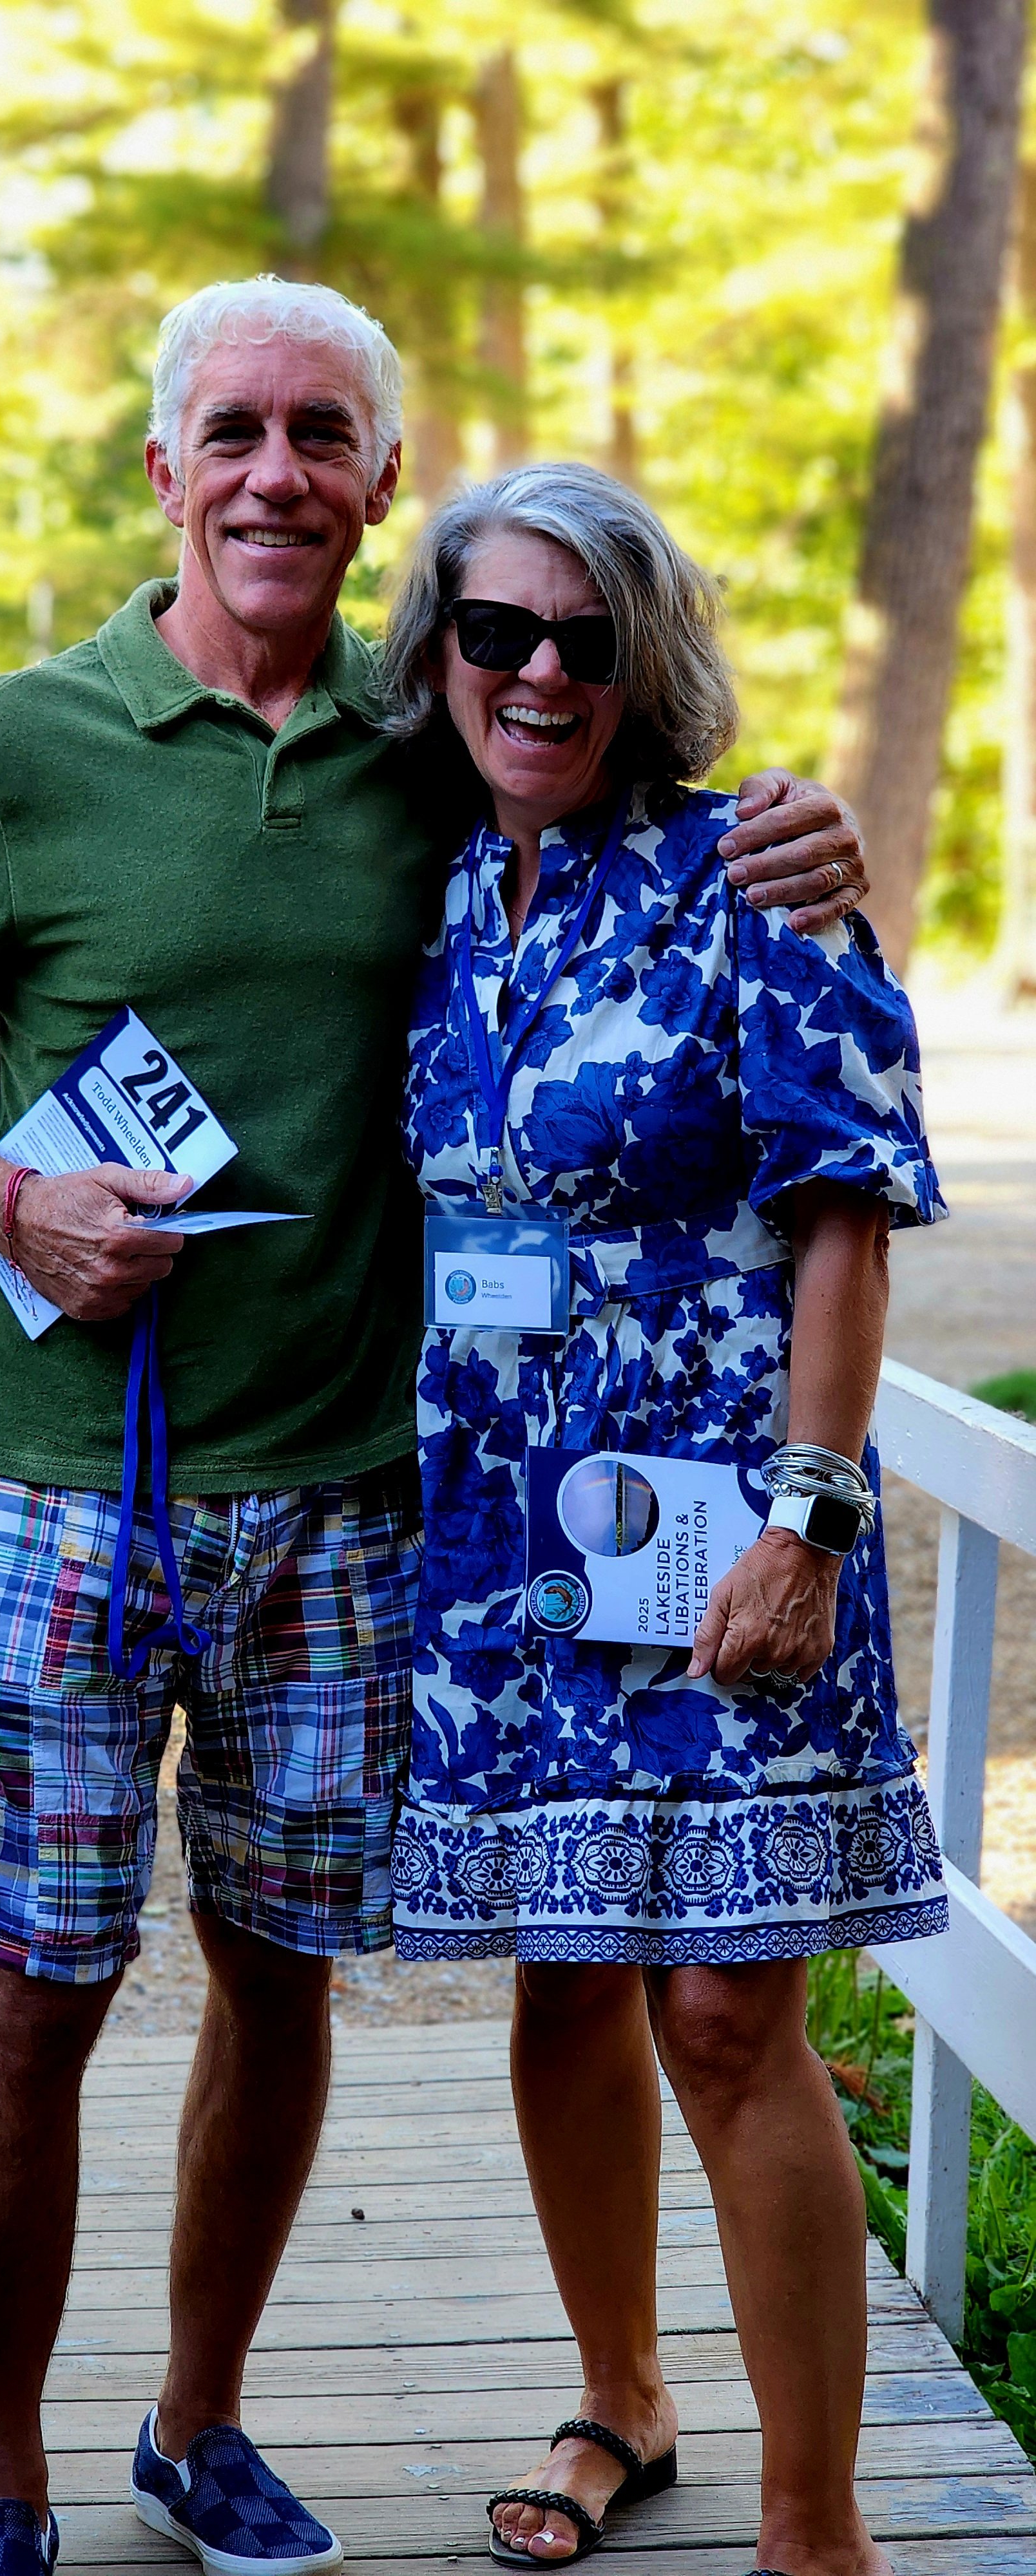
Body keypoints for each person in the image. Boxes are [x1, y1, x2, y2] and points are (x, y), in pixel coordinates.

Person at [0, 278, 869, 2576]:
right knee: (23, 1997)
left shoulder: (461, 749)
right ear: (162, 468)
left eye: (324, 432)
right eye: (233, 429)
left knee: (284, 1988)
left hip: (361, 1511)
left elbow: (628, 765)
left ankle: (198, 2424)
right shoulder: (17, 746)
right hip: (57, 1494)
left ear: (381, 480)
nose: (276, 470)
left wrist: (797, 827)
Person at [384, 462, 946, 2576]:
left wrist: (803, 1520)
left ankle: (819, 2527)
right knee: (559, 1979)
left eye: (584, 640)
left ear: (646, 663)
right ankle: (621, 2393)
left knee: (727, 2011)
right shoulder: (419, 879)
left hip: (723, 1522)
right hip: (496, 1539)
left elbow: (845, 1219)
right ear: (435, 651)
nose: (537, 673)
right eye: (494, 631)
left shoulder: (754, 875)